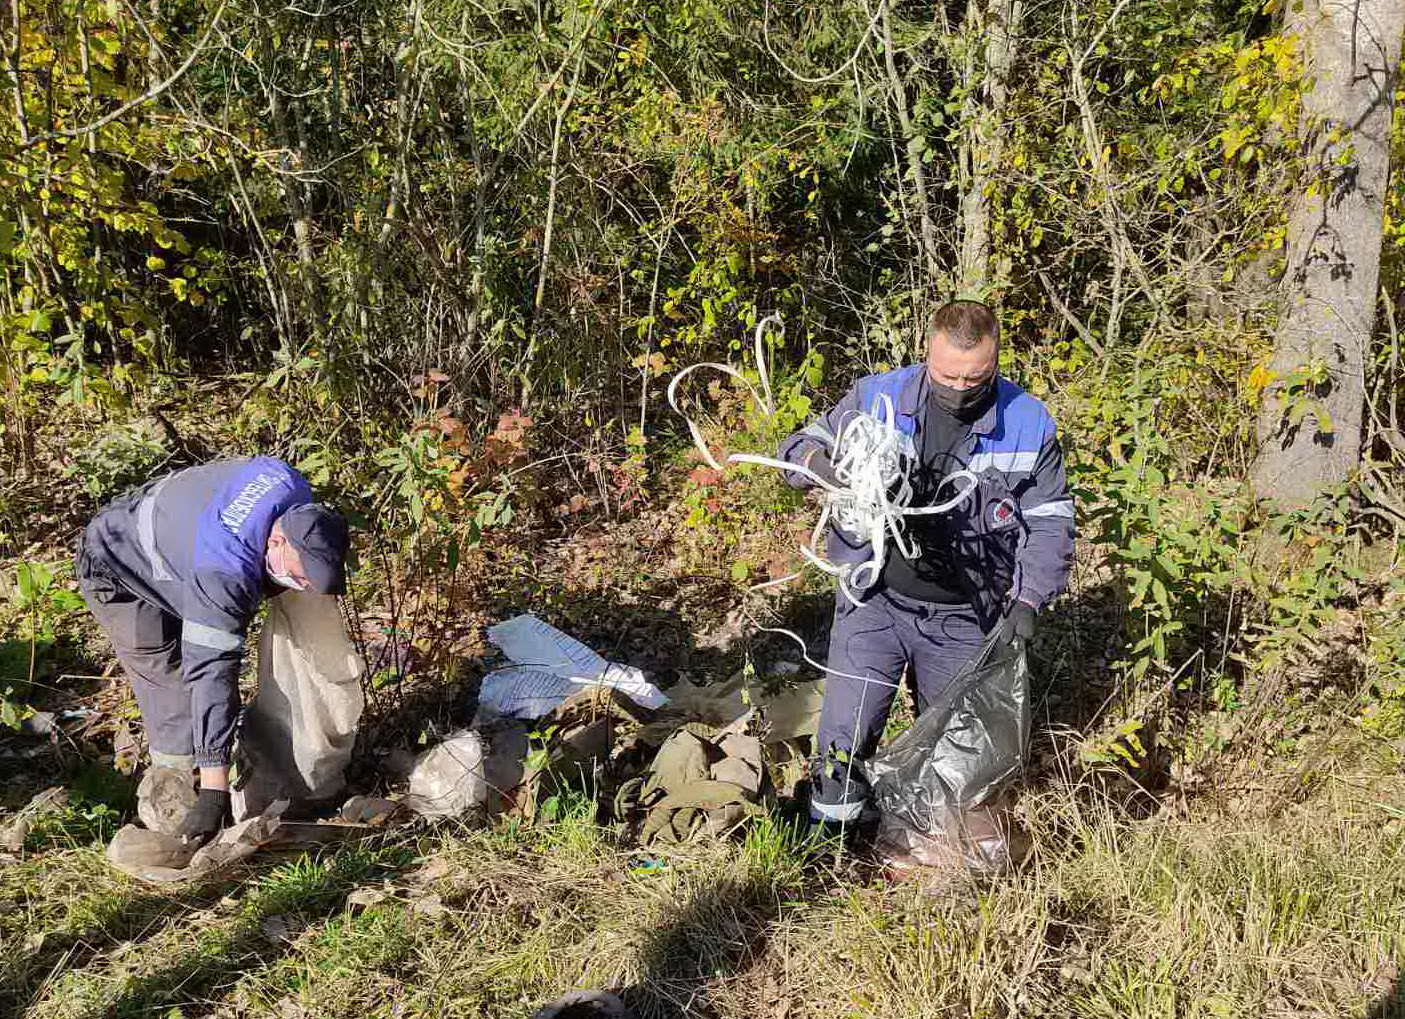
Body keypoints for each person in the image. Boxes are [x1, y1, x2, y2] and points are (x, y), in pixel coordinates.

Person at [777, 300, 1074, 836]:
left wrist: (1029, 600)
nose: (959, 388)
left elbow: (1049, 519)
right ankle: (827, 847)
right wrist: (834, 471)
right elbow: (799, 446)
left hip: (963, 617)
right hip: (875, 602)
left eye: (975, 378)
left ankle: (922, 855)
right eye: (946, 375)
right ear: (927, 353)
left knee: (951, 755)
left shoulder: (1028, 422)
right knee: (844, 737)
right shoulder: (877, 397)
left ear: (997, 360)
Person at [75, 456, 349, 846]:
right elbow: (211, 674)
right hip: (116, 564)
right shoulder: (226, 568)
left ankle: (240, 781)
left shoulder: (297, 496)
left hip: (179, 549)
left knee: (211, 673)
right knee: (174, 698)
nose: (302, 584)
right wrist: (213, 792)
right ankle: (177, 816)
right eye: (301, 575)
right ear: (276, 541)